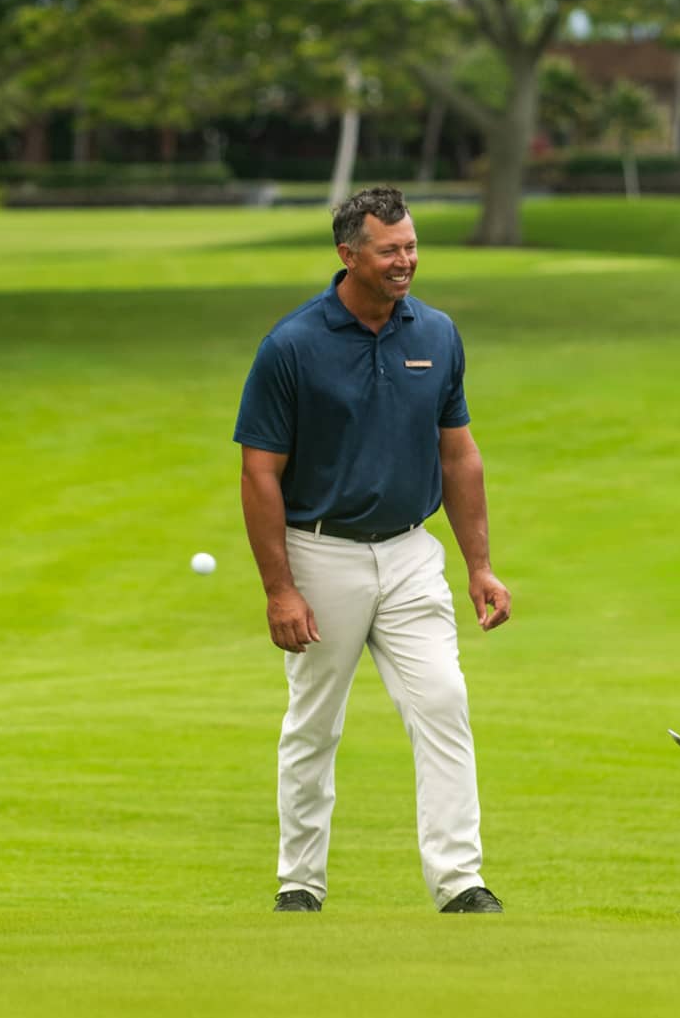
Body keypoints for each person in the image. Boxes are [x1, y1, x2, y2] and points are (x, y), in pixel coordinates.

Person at [234, 185, 511, 914]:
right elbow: (260, 470)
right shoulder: (292, 345)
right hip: (320, 553)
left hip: (411, 552)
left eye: (412, 246)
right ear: (347, 253)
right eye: (390, 249)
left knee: (444, 702)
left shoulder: (437, 333)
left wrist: (479, 563)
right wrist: (280, 588)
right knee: (315, 721)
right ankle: (300, 880)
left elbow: (460, 456)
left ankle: (459, 881)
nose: (406, 260)